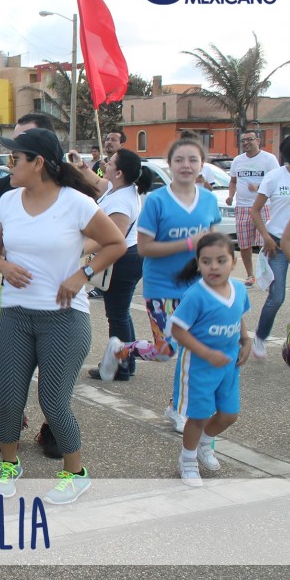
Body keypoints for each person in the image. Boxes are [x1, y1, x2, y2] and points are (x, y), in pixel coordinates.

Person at [0, 128, 125, 505]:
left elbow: (116, 243)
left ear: (38, 162)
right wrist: (4, 266)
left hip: (63, 317)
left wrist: (83, 275)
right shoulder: (9, 202)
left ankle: (75, 473)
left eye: (16, 158)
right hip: (16, 313)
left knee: (53, 400)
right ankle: (9, 465)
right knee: (8, 397)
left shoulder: (76, 203)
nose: (10, 165)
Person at [97, 138, 220, 433]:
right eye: (179, 160)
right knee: (165, 351)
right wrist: (190, 242)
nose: (186, 166)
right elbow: (145, 248)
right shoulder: (156, 201)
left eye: (193, 160)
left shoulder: (209, 200)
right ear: (171, 165)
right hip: (162, 287)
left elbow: (212, 244)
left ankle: (179, 407)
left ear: (201, 165)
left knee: (193, 350)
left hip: (197, 287)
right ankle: (121, 349)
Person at [170, 233, 250, 486]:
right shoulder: (196, 295)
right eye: (206, 261)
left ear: (233, 262)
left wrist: (245, 340)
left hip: (228, 364)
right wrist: (206, 353)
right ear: (198, 264)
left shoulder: (237, 288)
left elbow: (239, 315)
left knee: (229, 415)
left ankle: (204, 444)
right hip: (199, 366)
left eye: (220, 260)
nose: (213, 266)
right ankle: (188, 459)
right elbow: (178, 330)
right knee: (199, 416)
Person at [86, 149, 153, 382]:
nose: (105, 164)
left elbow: (115, 238)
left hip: (124, 261)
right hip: (128, 259)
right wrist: (80, 166)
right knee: (121, 314)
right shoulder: (119, 189)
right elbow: (96, 182)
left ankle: (121, 366)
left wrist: (81, 247)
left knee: (117, 316)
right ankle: (128, 360)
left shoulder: (122, 200)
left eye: (110, 162)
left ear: (119, 172)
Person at [248, 134, 290, 360]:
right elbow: (255, 210)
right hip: (276, 243)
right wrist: (265, 237)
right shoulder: (275, 177)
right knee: (276, 297)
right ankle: (260, 336)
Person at [227, 131, 278, 284]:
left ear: (258, 141)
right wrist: (230, 196)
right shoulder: (237, 160)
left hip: (263, 207)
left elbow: (276, 180)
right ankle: (250, 275)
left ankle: (269, 276)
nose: (246, 143)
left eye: (249, 139)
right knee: (244, 244)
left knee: (266, 242)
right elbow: (233, 181)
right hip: (242, 207)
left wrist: (259, 186)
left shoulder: (269, 159)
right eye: (243, 140)